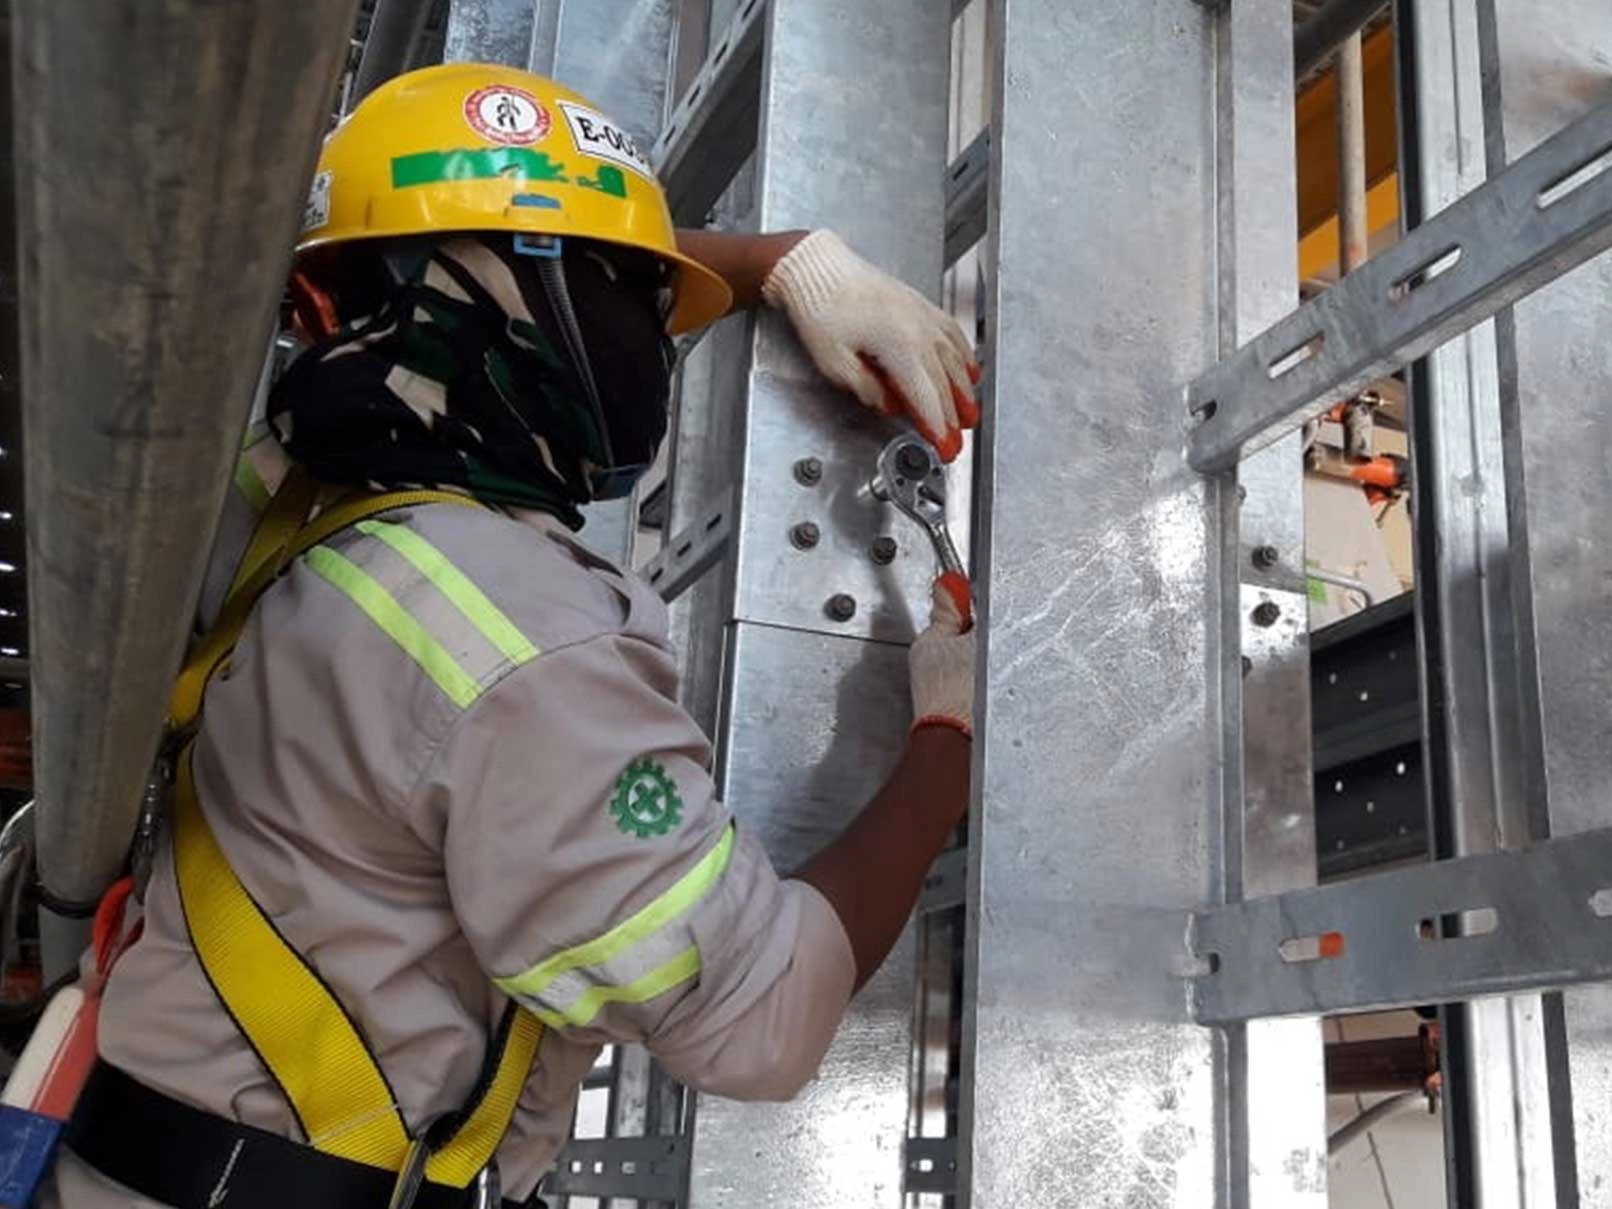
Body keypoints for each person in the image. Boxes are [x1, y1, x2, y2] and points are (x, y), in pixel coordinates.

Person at [52, 63, 977, 1209]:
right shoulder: (519, 646)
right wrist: (948, 730)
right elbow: (769, 1019)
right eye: (631, 298)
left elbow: (459, 275)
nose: (649, 337)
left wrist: (783, 260)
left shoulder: (273, 497)